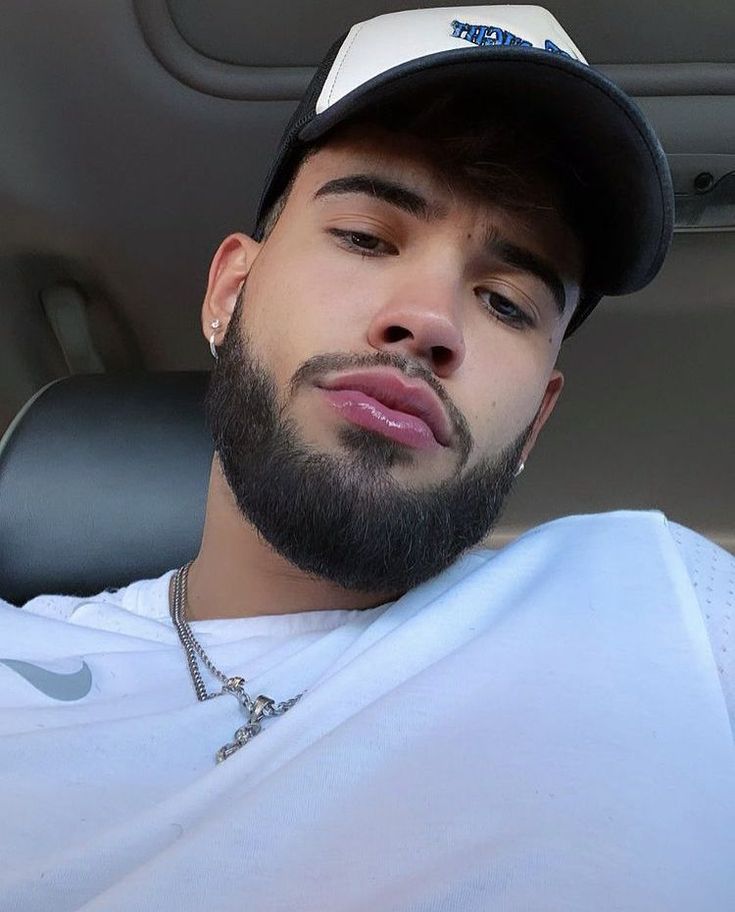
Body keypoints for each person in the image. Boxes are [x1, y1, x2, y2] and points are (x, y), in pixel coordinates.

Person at [1, 6, 733, 910]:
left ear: (535, 423)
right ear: (230, 292)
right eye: (364, 237)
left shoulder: (672, 610)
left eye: (505, 301)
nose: (428, 319)